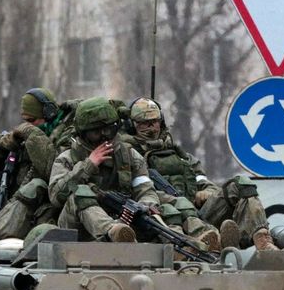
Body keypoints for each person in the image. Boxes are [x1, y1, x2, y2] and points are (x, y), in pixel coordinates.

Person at [50, 97, 216, 248]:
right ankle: (113, 231)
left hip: (126, 221)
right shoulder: (67, 158)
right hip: (79, 229)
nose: (103, 137)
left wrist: (146, 206)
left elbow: (145, 189)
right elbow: (56, 196)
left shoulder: (129, 156)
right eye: (95, 133)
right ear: (83, 134)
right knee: (81, 193)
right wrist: (88, 165)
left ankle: (185, 245)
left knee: (167, 207)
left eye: (108, 131)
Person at [127, 97, 275, 250]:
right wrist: (175, 201)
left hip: (199, 213)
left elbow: (206, 184)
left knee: (241, 184)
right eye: (144, 123)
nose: (151, 127)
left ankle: (262, 239)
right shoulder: (130, 156)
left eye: (154, 121)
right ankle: (218, 240)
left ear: (161, 122)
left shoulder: (182, 157)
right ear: (131, 126)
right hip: (166, 219)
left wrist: (206, 192)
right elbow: (140, 193)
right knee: (178, 207)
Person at [0, 88, 63, 240]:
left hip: (40, 207)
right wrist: (2, 143)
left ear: (49, 114)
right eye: (25, 120)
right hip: (13, 201)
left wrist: (32, 134)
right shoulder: (25, 134)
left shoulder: (63, 135)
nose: (28, 125)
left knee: (35, 185)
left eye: (32, 121)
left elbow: (53, 170)